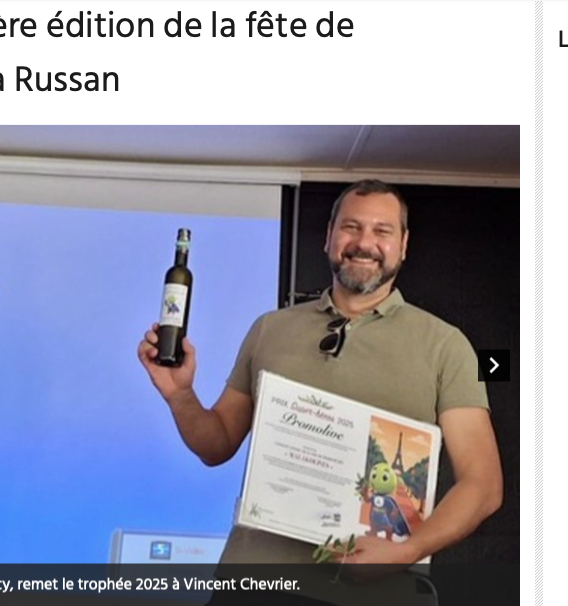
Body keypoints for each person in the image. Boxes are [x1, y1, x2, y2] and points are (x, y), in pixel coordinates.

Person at [138, 180, 503, 567]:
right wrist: (180, 396)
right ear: (328, 236)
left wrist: (408, 550)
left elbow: (483, 485)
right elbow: (217, 445)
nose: (364, 243)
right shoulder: (269, 328)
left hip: (374, 589)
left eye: (382, 231)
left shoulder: (447, 346)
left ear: (404, 244)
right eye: (351, 227)